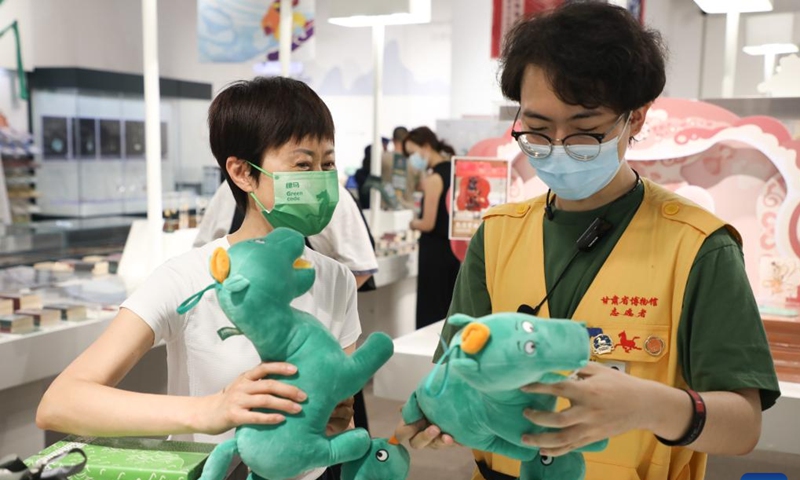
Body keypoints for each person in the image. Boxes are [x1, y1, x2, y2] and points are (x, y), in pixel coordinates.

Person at [395, 4, 780, 480]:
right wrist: (439, 413)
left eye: (584, 132)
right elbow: (458, 372)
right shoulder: (496, 234)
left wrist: (652, 407)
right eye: (537, 129)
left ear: (635, 119)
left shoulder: (700, 246)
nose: (557, 146)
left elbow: (743, 427)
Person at [36, 77, 362, 480]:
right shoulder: (188, 275)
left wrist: (333, 416)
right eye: (302, 165)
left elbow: (340, 409)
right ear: (243, 172)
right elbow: (61, 401)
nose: (321, 178)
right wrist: (211, 409)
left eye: (327, 164)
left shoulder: (336, 279)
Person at [194, 180, 379, 290]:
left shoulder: (327, 193)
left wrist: (317, 311)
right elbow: (204, 258)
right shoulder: (229, 190)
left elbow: (359, 268)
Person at [404, 126, 461, 330]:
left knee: (432, 310)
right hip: (453, 250)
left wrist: (412, 223)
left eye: (412, 153)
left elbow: (428, 223)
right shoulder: (454, 170)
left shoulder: (434, 179)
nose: (412, 159)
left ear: (426, 147)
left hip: (435, 252)